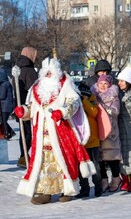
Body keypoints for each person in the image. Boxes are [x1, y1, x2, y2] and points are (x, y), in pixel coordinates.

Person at [14, 57, 95, 205]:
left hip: (61, 132)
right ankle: (45, 192)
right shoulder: (37, 87)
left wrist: (63, 112)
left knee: (63, 160)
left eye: (51, 72)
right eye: (46, 72)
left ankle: (67, 189)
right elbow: (31, 107)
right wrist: (24, 111)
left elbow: (74, 101)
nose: (49, 75)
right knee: (42, 162)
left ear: (57, 72)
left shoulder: (65, 84)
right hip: (40, 134)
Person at [91, 74, 122, 193]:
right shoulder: (94, 96)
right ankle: (104, 180)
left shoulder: (113, 96)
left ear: (109, 85)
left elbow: (116, 111)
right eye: (100, 83)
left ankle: (115, 179)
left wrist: (105, 109)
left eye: (105, 83)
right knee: (100, 158)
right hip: (98, 130)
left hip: (111, 131)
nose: (103, 86)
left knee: (112, 157)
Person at [75, 82, 103, 198]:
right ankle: (84, 188)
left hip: (93, 140)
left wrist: (84, 100)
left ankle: (98, 187)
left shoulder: (92, 101)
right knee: (81, 167)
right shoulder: (76, 102)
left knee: (95, 166)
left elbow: (94, 112)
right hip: (80, 141)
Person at [14, 47, 38, 168]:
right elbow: (35, 88)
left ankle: (23, 156)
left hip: (19, 107)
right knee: (30, 132)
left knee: (24, 131)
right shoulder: (30, 71)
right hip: (28, 107)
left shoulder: (17, 68)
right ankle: (24, 156)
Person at [0, 66, 15, 140]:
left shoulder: (3, 85)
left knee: (4, 121)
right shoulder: (7, 83)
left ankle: (8, 134)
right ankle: (10, 132)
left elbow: (2, 96)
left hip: (5, 105)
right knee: (4, 120)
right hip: (8, 105)